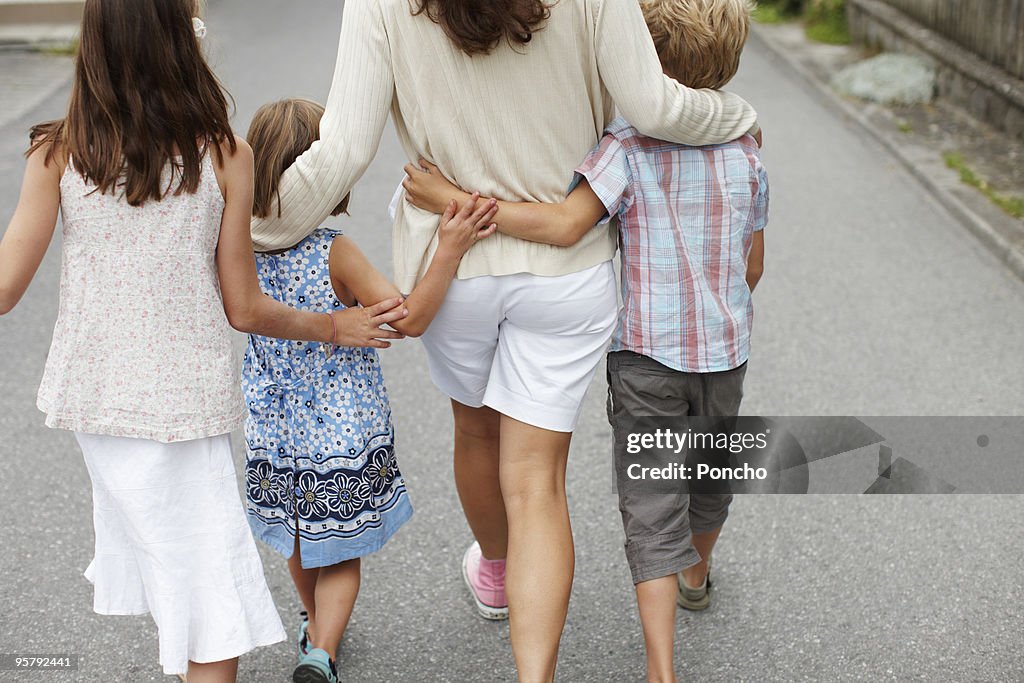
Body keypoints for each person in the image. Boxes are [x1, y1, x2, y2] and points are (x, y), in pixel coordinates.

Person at [249, 0, 759, 679]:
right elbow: (658, 109)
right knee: (537, 481)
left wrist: (254, 226)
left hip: (453, 264)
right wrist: (737, 115)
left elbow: (342, 149)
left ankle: (496, 570)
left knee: (476, 432)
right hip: (563, 272)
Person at [0, 2, 408, 681]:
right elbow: (244, 306)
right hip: (182, 410)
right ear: (178, 42)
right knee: (212, 600)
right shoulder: (223, 154)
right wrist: (333, 326)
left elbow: (6, 286)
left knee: (183, 576)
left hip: (97, 405)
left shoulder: (59, 152)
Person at [402, 1, 768, 680]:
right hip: (726, 351)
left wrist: (453, 198)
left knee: (651, 506)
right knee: (711, 478)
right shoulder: (746, 143)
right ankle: (700, 573)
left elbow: (568, 224)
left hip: (646, 356)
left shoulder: (626, 145)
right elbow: (753, 263)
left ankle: (662, 668)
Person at [242, 98, 497, 683]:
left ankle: (313, 625)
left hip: (274, 428)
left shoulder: (240, 248)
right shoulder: (333, 251)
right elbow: (406, 319)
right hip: (341, 431)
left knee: (301, 542)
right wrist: (449, 250)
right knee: (342, 555)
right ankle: (321, 653)